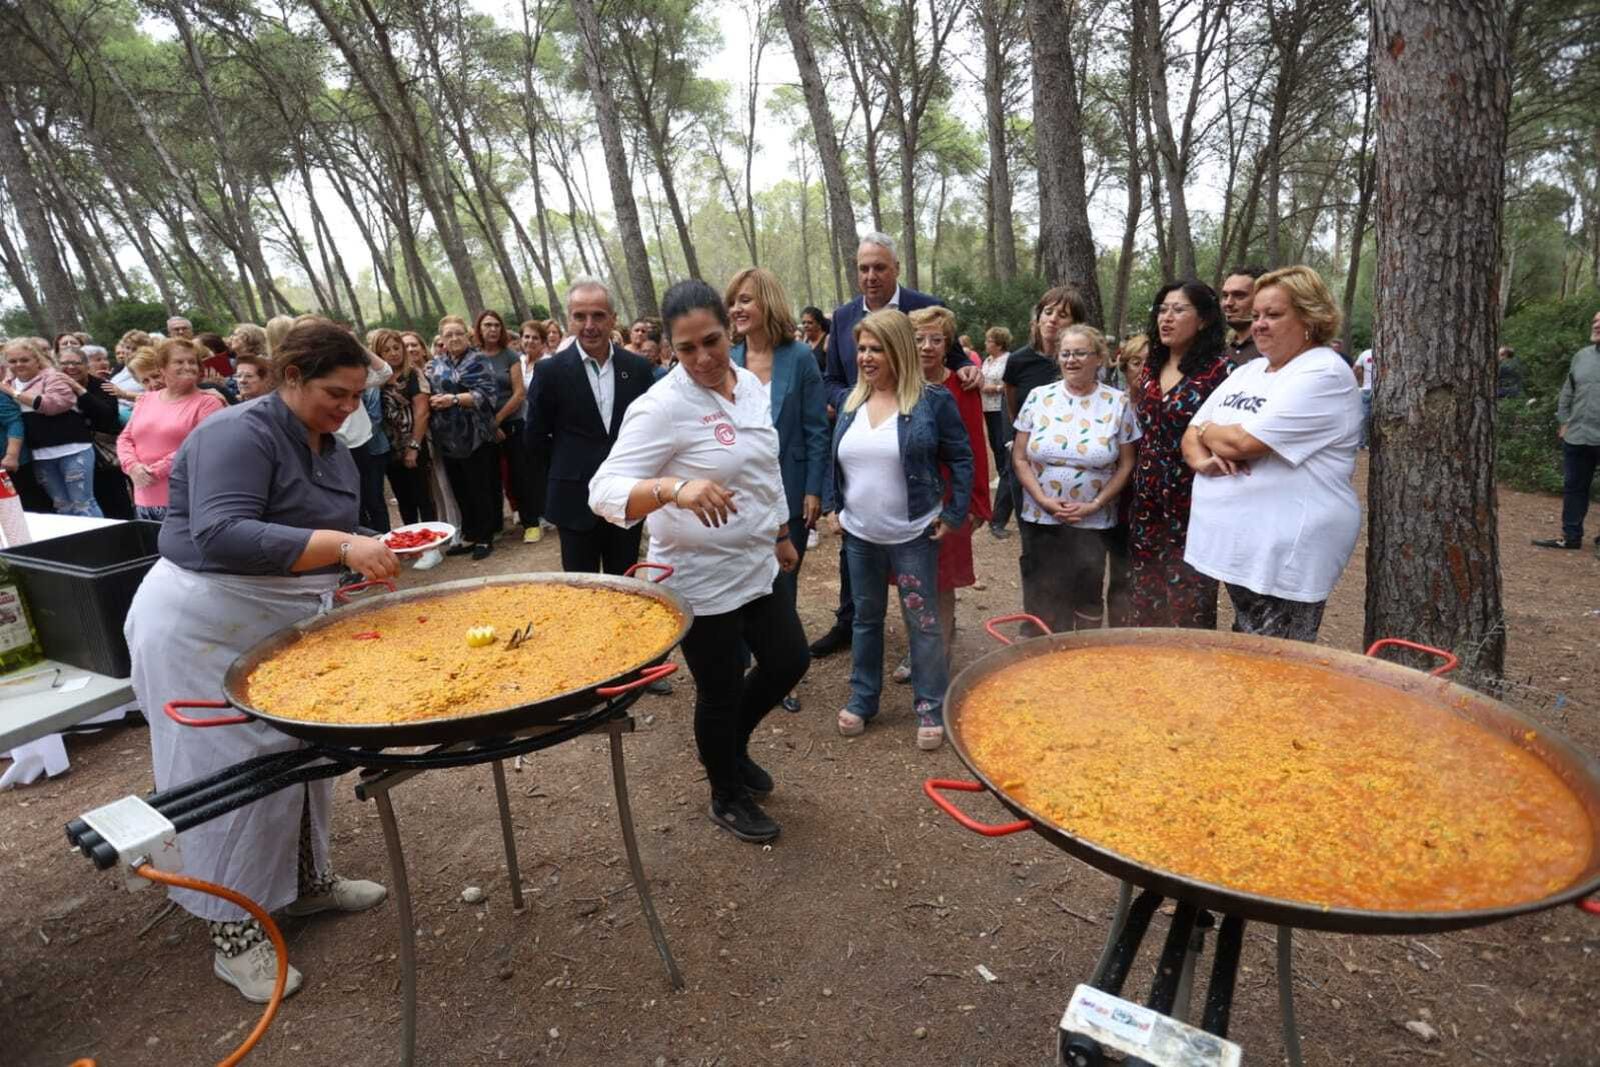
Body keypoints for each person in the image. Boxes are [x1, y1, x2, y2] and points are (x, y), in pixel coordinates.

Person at [124, 318, 395, 1003]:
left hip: (279, 622)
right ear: (290, 377)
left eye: (357, 394)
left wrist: (368, 548)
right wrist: (339, 546)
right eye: (336, 391)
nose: (347, 406)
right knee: (227, 776)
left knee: (300, 754)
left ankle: (307, 882)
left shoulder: (330, 443)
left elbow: (319, 528)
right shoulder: (235, 432)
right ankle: (233, 931)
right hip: (200, 624)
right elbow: (220, 531)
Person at [589, 280, 807, 843]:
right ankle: (726, 793)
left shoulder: (753, 386)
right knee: (721, 688)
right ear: (669, 348)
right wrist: (671, 487)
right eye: (687, 349)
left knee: (788, 661)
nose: (704, 359)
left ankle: (730, 752)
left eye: (712, 341)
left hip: (756, 561)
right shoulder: (660, 407)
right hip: (697, 576)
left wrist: (781, 532)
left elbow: (764, 469)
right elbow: (603, 491)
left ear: (729, 329)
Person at [811, 234, 980, 658]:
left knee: (922, 558)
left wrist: (967, 373)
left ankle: (927, 645)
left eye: (879, 267)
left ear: (896, 269)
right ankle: (849, 623)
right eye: (864, 268)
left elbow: (953, 357)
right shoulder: (845, 315)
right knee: (858, 540)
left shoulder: (924, 306)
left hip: (915, 447)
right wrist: (853, 406)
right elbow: (833, 380)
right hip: (861, 441)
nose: (871, 276)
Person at [1182, 265, 1362, 642]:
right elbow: (1189, 434)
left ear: (1311, 317)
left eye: (1274, 315)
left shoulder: (1323, 373)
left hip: (1285, 555)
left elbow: (1242, 444)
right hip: (1240, 552)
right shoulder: (1251, 371)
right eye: (1258, 315)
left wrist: (1210, 430)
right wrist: (1203, 454)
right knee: (1246, 648)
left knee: (1277, 663)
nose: (1259, 324)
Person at [824, 309, 973, 751]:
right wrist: (835, 506)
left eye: (876, 349)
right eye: (862, 349)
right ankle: (863, 698)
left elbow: (962, 458)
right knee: (866, 619)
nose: (866, 358)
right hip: (860, 536)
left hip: (912, 534)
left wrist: (953, 513)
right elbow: (837, 459)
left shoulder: (931, 401)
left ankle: (931, 704)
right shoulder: (851, 402)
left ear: (898, 352)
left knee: (923, 621)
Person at [727, 267, 829, 711]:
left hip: (788, 485)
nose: (736, 309)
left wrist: (813, 488)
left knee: (782, 581)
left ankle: (781, 670)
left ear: (768, 302)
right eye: (733, 301)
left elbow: (814, 429)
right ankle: (741, 660)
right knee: (739, 577)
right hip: (734, 491)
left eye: (745, 299)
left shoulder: (800, 357)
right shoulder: (725, 357)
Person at [1012, 325, 1140, 634]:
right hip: (1041, 516)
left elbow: (1126, 464)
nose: (1072, 360)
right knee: (1043, 593)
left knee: (1087, 596)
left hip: (1093, 521)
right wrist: (1042, 500)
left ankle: (1085, 661)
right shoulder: (1038, 397)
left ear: (1099, 358)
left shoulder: (1117, 402)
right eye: (1066, 353)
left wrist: (1095, 503)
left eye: (1081, 353)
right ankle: (1044, 659)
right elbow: (1019, 456)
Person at [527, 276, 656, 574]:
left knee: (626, 586)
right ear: (568, 320)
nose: (590, 325)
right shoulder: (550, 372)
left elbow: (649, 431)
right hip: (573, 500)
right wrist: (564, 471)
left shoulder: (637, 369)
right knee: (581, 592)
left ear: (613, 318)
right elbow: (535, 439)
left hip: (626, 497)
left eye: (598, 315)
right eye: (580, 316)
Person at [1129, 282, 1232, 629]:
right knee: (1145, 588)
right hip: (1145, 497)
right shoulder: (1149, 367)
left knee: (1191, 592)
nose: (1166, 318)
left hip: (1192, 496)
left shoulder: (1221, 372)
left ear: (1203, 320)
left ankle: (1193, 669)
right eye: (1162, 309)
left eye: (1179, 309)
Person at [906, 306, 991, 669]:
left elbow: (975, 447)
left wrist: (977, 503)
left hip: (949, 498)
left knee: (942, 580)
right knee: (910, 578)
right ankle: (917, 649)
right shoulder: (898, 384)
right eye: (919, 339)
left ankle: (937, 650)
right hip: (907, 496)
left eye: (935, 339)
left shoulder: (962, 386)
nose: (926, 346)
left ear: (947, 345)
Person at [117, 338, 228, 522]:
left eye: (192, 362)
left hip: (187, 501)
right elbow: (125, 439)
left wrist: (155, 472)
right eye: (179, 362)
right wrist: (133, 467)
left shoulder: (208, 403)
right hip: (144, 500)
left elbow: (201, 447)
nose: (188, 366)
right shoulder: (145, 400)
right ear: (162, 368)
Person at [1, 337, 104, 517]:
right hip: (41, 455)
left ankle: (100, 544)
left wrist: (15, 394)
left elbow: (53, 405)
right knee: (62, 507)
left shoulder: (53, 377)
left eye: (24, 359)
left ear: (37, 359)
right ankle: (73, 545)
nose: (19, 364)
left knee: (83, 504)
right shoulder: (9, 383)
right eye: (13, 361)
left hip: (72, 449)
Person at [426, 315, 498, 559]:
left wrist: (454, 399)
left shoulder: (479, 360)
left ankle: (486, 538)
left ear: (468, 335)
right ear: (442, 340)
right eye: (449, 335)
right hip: (447, 437)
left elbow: (487, 395)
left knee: (480, 488)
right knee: (461, 489)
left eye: (458, 333)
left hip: (476, 436)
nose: (454, 338)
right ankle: (471, 534)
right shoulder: (435, 364)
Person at [1534, 310, 1600, 552]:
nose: (1596, 325)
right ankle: (1571, 536)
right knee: (1574, 486)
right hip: (1578, 434)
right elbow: (1568, 391)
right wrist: (1563, 421)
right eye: (1594, 320)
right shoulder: (1582, 357)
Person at [58, 344, 133, 519]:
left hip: (103, 458)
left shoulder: (102, 386)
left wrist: (79, 391)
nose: (70, 367)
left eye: (76, 363)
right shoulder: (54, 388)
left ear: (86, 365)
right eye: (65, 363)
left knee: (117, 505)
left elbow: (107, 416)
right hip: (72, 456)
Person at [1104, 334, 1149, 626]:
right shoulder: (1111, 404)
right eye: (1136, 362)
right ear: (1124, 366)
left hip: (1152, 502)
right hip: (1116, 500)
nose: (1143, 369)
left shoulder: (1167, 403)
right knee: (1119, 572)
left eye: (1150, 363)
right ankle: (1118, 630)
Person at [472, 310, 526, 540]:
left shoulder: (510, 356)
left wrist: (498, 420)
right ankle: (495, 526)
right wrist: (489, 425)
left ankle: (530, 520)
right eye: (487, 325)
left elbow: (519, 393)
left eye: (496, 325)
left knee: (520, 474)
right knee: (489, 478)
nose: (492, 329)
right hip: (483, 429)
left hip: (512, 423)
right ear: (479, 330)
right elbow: (471, 393)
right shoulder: (473, 358)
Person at [516, 320, 551, 543]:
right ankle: (534, 516)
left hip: (543, 427)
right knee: (525, 473)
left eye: (535, 338)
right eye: (526, 337)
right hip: (518, 424)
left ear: (543, 343)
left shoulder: (549, 364)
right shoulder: (517, 363)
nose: (530, 341)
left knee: (542, 472)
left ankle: (547, 514)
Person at [979, 326, 1014, 538]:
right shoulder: (987, 360)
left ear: (998, 343)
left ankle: (1004, 480)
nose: (986, 343)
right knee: (996, 447)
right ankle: (1002, 476)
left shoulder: (1008, 360)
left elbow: (1009, 384)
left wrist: (997, 389)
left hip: (1001, 407)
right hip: (987, 408)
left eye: (989, 340)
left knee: (1003, 447)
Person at [1219, 265, 1264, 368]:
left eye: (1239, 295)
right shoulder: (1220, 350)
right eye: (1225, 296)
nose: (1228, 303)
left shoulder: (1271, 349)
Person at [1353, 344, 1375, 448]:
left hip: (1367, 389)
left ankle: (1361, 443)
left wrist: (1359, 382)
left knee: (1364, 417)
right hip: (1381, 389)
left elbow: (1356, 369)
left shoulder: (1365, 353)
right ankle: (1368, 442)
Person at [800, 306, 830, 376]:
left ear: (819, 324)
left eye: (810, 323)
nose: (805, 325)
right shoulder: (805, 341)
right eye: (803, 323)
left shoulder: (827, 340)